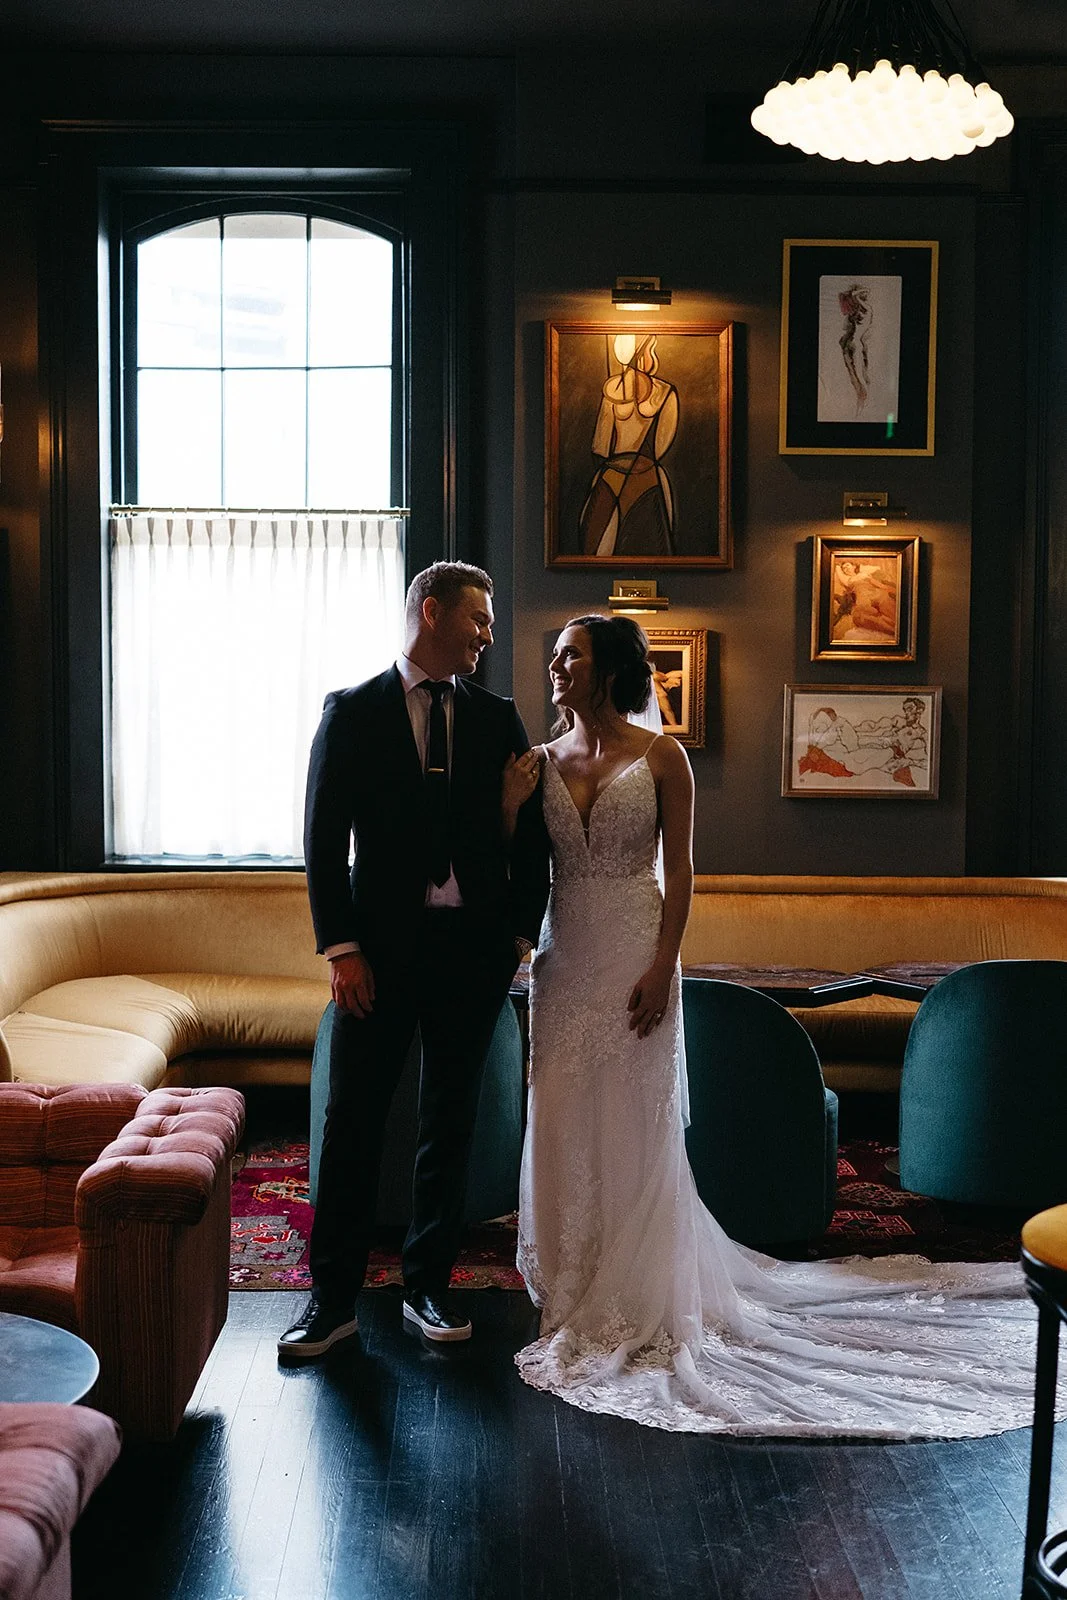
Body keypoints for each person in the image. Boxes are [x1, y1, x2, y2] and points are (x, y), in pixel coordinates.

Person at [508, 613, 1049, 1437]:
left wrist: (662, 967)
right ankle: (574, 1288)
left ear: (608, 667)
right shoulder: (534, 764)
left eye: (570, 654)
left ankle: (638, 1295)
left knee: (634, 1123)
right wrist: (503, 808)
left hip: (632, 955)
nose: (554, 664)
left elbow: (681, 871)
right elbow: (509, 871)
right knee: (562, 1121)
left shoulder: (661, 758)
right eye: (554, 654)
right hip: (564, 961)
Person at [279, 561, 550, 1361]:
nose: (489, 636)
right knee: (351, 1123)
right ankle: (330, 1302)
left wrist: (515, 938)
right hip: (377, 957)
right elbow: (324, 843)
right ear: (431, 612)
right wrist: (343, 949)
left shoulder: (499, 718)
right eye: (478, 620)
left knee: (451, 1123)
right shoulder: (352, 712)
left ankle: (427, 1288)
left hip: (472, 954)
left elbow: (526, 836)